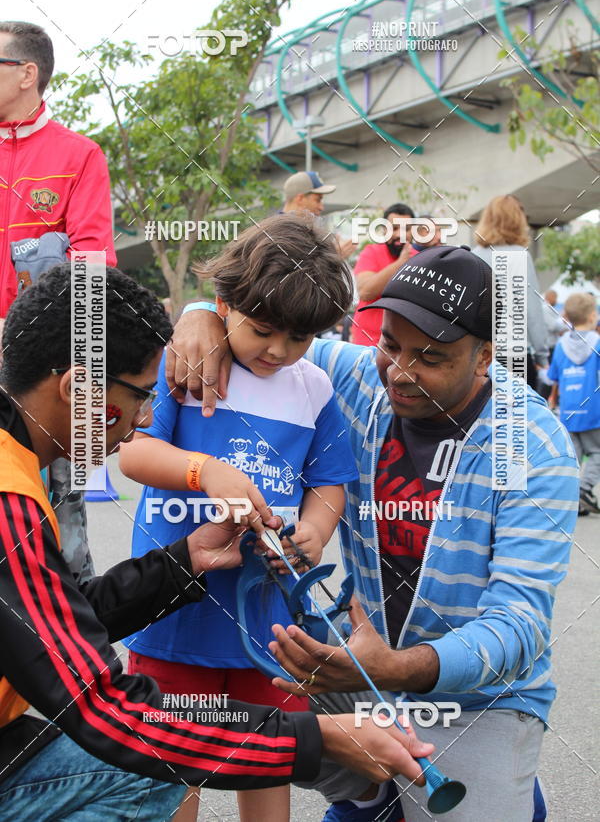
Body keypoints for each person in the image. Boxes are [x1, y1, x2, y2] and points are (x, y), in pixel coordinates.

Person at [0, 262, 434, 821]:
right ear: (75, 388)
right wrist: (315, 739)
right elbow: (103, 711)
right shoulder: (9, 498)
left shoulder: (18, 468)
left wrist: (185, 562)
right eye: (139, 395)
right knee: (148, 768)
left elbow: (50, 627)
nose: (145, 417)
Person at [168, 245, 579, 822]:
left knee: (464, 804)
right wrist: (198, 317)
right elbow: (267, 319)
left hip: (477, 697)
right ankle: (368, 795)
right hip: (356, 664)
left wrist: (394, 667)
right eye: (391, 344)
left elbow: (520, 625)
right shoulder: (360, 380)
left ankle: (493, 784)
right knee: (232, 685)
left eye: (431, 357)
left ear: (486, 356)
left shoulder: (534, 444)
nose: (402, 371)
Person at [119, 215, 359, 822]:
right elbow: (135, 452)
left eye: (299, 339)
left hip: (268, 620)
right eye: (263, 330)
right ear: (223, 304)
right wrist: (205, 472)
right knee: (170, 765)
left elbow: (330, 482)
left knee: (269, 756)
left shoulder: (315, 389)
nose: (279, 351)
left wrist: (315, 531)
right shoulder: (184, 367)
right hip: (175, 611)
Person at [0, 20, 116, 584]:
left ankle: (72, 644)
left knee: (60, 509)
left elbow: (94, 271)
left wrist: (85, 378)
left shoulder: (79, 155)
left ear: (27, 73)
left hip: (46, 362)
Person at [472, 195, 548, 389]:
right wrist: (542, 355)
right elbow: (533, 312)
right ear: (517, 220)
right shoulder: (521, 256)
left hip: (481, 357)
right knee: (519, 417)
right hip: (516, 355)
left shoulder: (473, 256)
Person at [547, 292, 600, 516]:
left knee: (573, 457)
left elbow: (554, 377)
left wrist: (553, 398)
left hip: (568, 409)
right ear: (591, 316)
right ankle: (584, 490)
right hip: (593, 409)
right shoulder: (597, 342)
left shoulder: (560, 345)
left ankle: (570, 498)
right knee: (597, 452)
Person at [351, 203, 416, 347]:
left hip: (405, 348)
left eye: (406, 229)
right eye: (394, 228)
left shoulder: (421, 259)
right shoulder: (371, 252)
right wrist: (401, 262)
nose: (400, 235)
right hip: (368, 345)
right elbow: (365, 291)